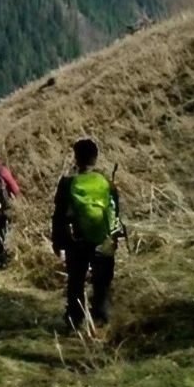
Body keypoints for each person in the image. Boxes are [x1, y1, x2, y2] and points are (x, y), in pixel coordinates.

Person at [51, 137, 122, 330]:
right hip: (103, 239)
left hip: (76, 241)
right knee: (102, 282)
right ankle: (101, 319)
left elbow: (59, 215)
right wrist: (115, 237)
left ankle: (75, 320)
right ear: (95, 157)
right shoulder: (106, 182)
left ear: (76, 158)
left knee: (76, 281)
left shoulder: (67, 183)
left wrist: (57, 241)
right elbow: (115, 212)